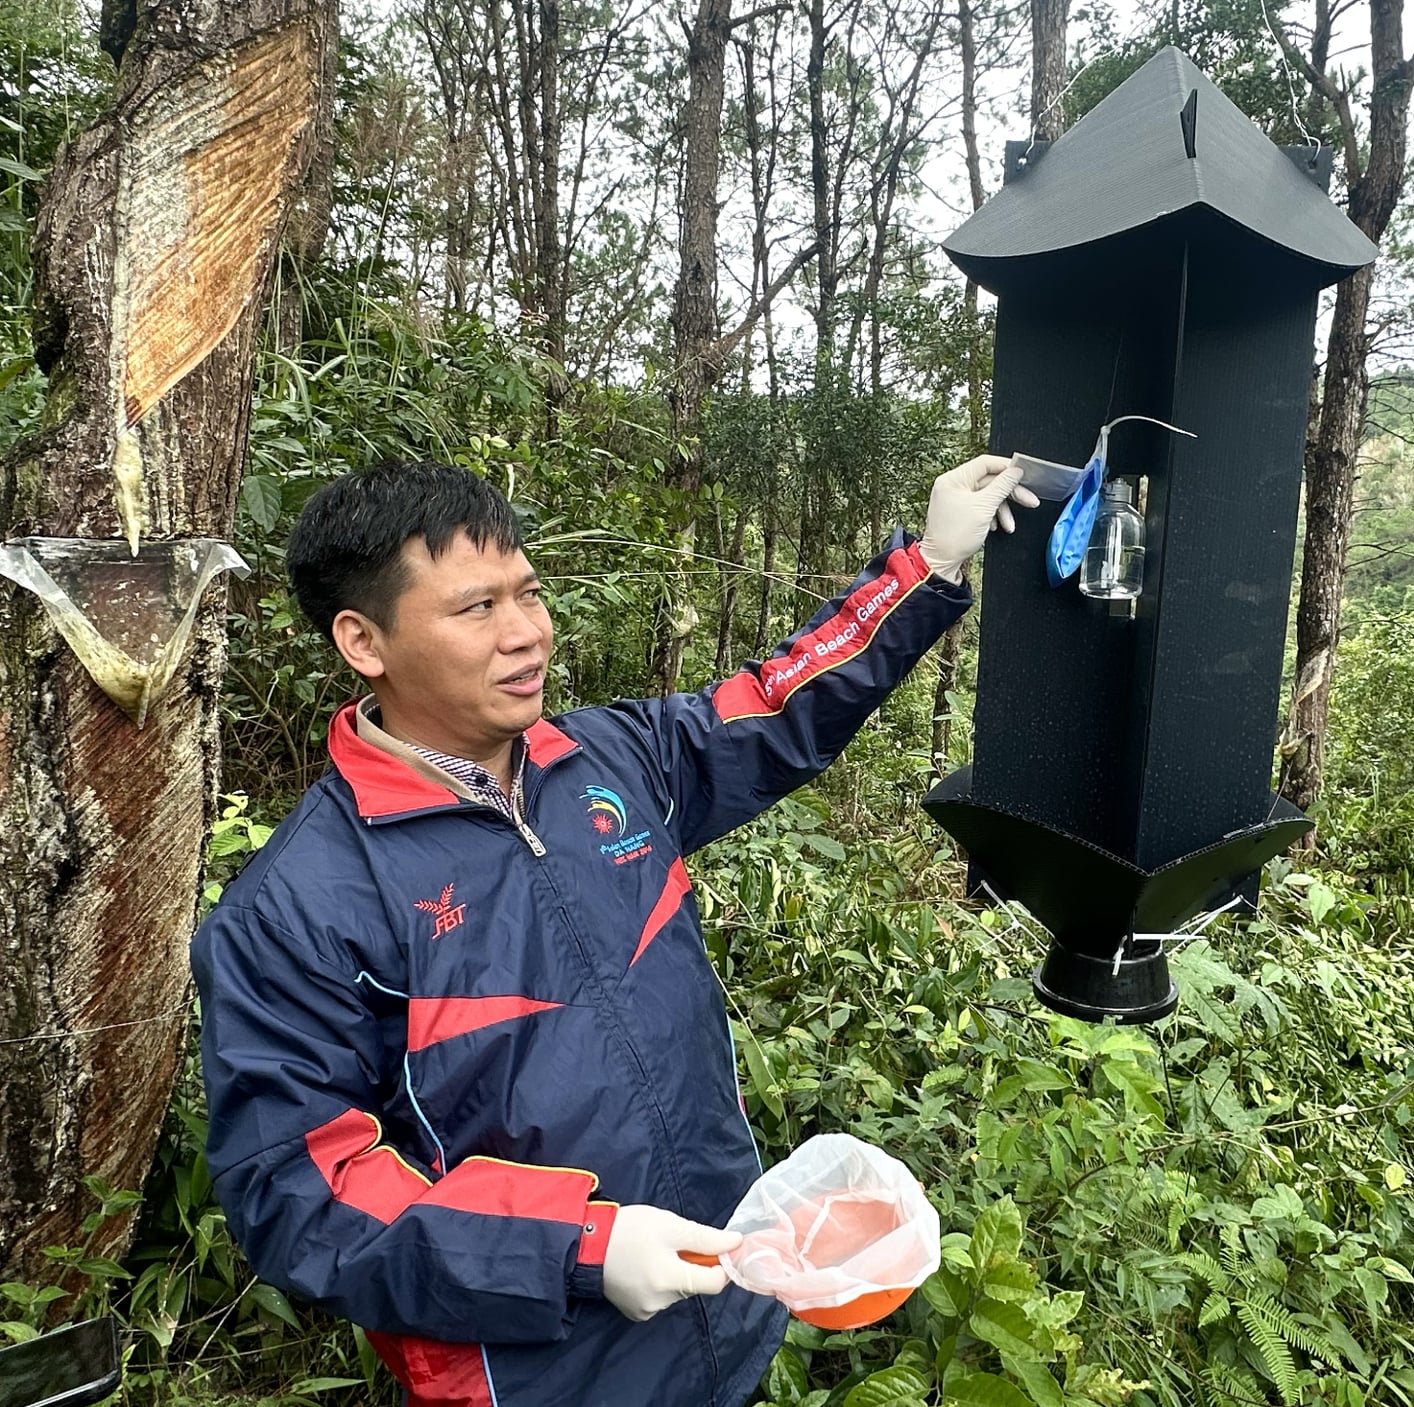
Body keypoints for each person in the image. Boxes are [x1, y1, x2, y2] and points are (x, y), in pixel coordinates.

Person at [191, 456, 1036, 1407]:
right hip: (542, 1376)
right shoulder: (300, 905)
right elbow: (303, 1192)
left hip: (726, 1309)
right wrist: (582, 1247)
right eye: (476, 608)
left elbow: (776, 706)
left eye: (530, 592)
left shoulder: (613, 759)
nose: (527, 633)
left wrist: (926, 565)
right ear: (363, 640)